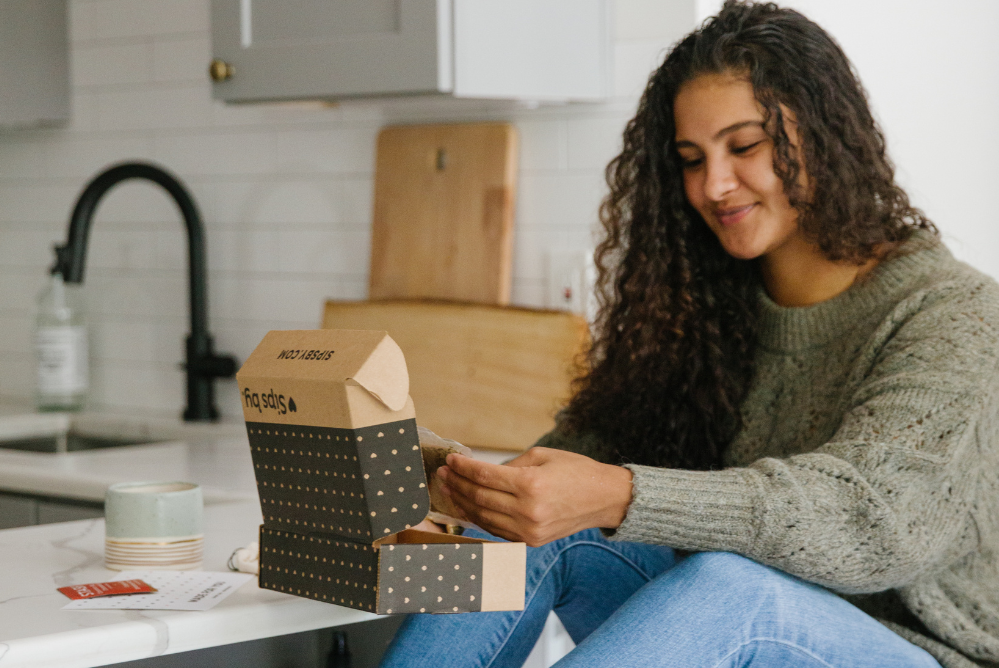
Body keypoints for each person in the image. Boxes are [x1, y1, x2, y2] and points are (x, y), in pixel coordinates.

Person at [380, 2, 999, 667]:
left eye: (744, 146)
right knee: (530, 536)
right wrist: (473, 491)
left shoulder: (954, 313)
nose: (714, 185)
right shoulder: (704, 308)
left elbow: (870, 520)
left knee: (728, 585)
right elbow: (573, 468)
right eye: (690, 158)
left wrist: (620, 494)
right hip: (729, 632)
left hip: (924, 654)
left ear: (823, 135)